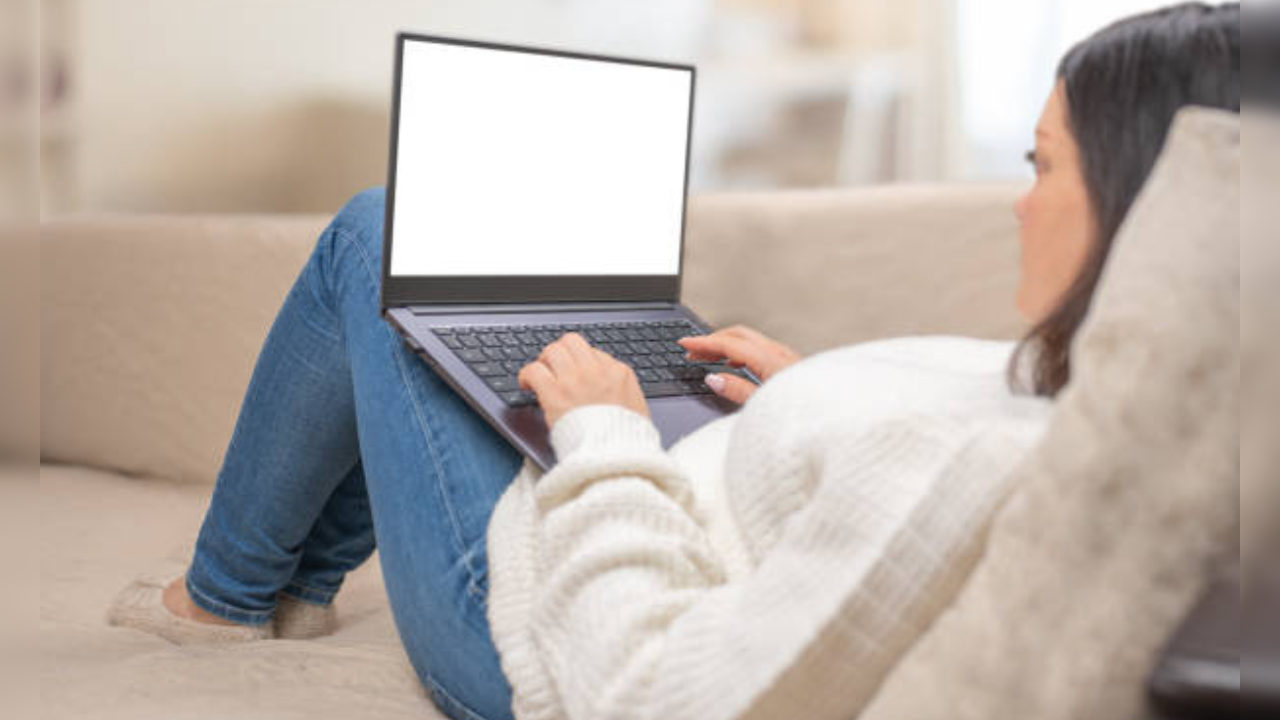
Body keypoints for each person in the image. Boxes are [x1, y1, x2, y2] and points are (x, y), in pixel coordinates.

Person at [107, 4, 1240, 720]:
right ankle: (291, 590)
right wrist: (810, 399)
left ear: (1144, 199)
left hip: (531, 626)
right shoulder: (1173, 397)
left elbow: (649, 694)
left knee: (378, 233)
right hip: (658, 505)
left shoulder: (953, 487)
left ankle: (226, 599)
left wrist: (604, 438)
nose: (1015, 199)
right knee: (445, 319)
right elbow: (929, 460)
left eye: (1043, 166)